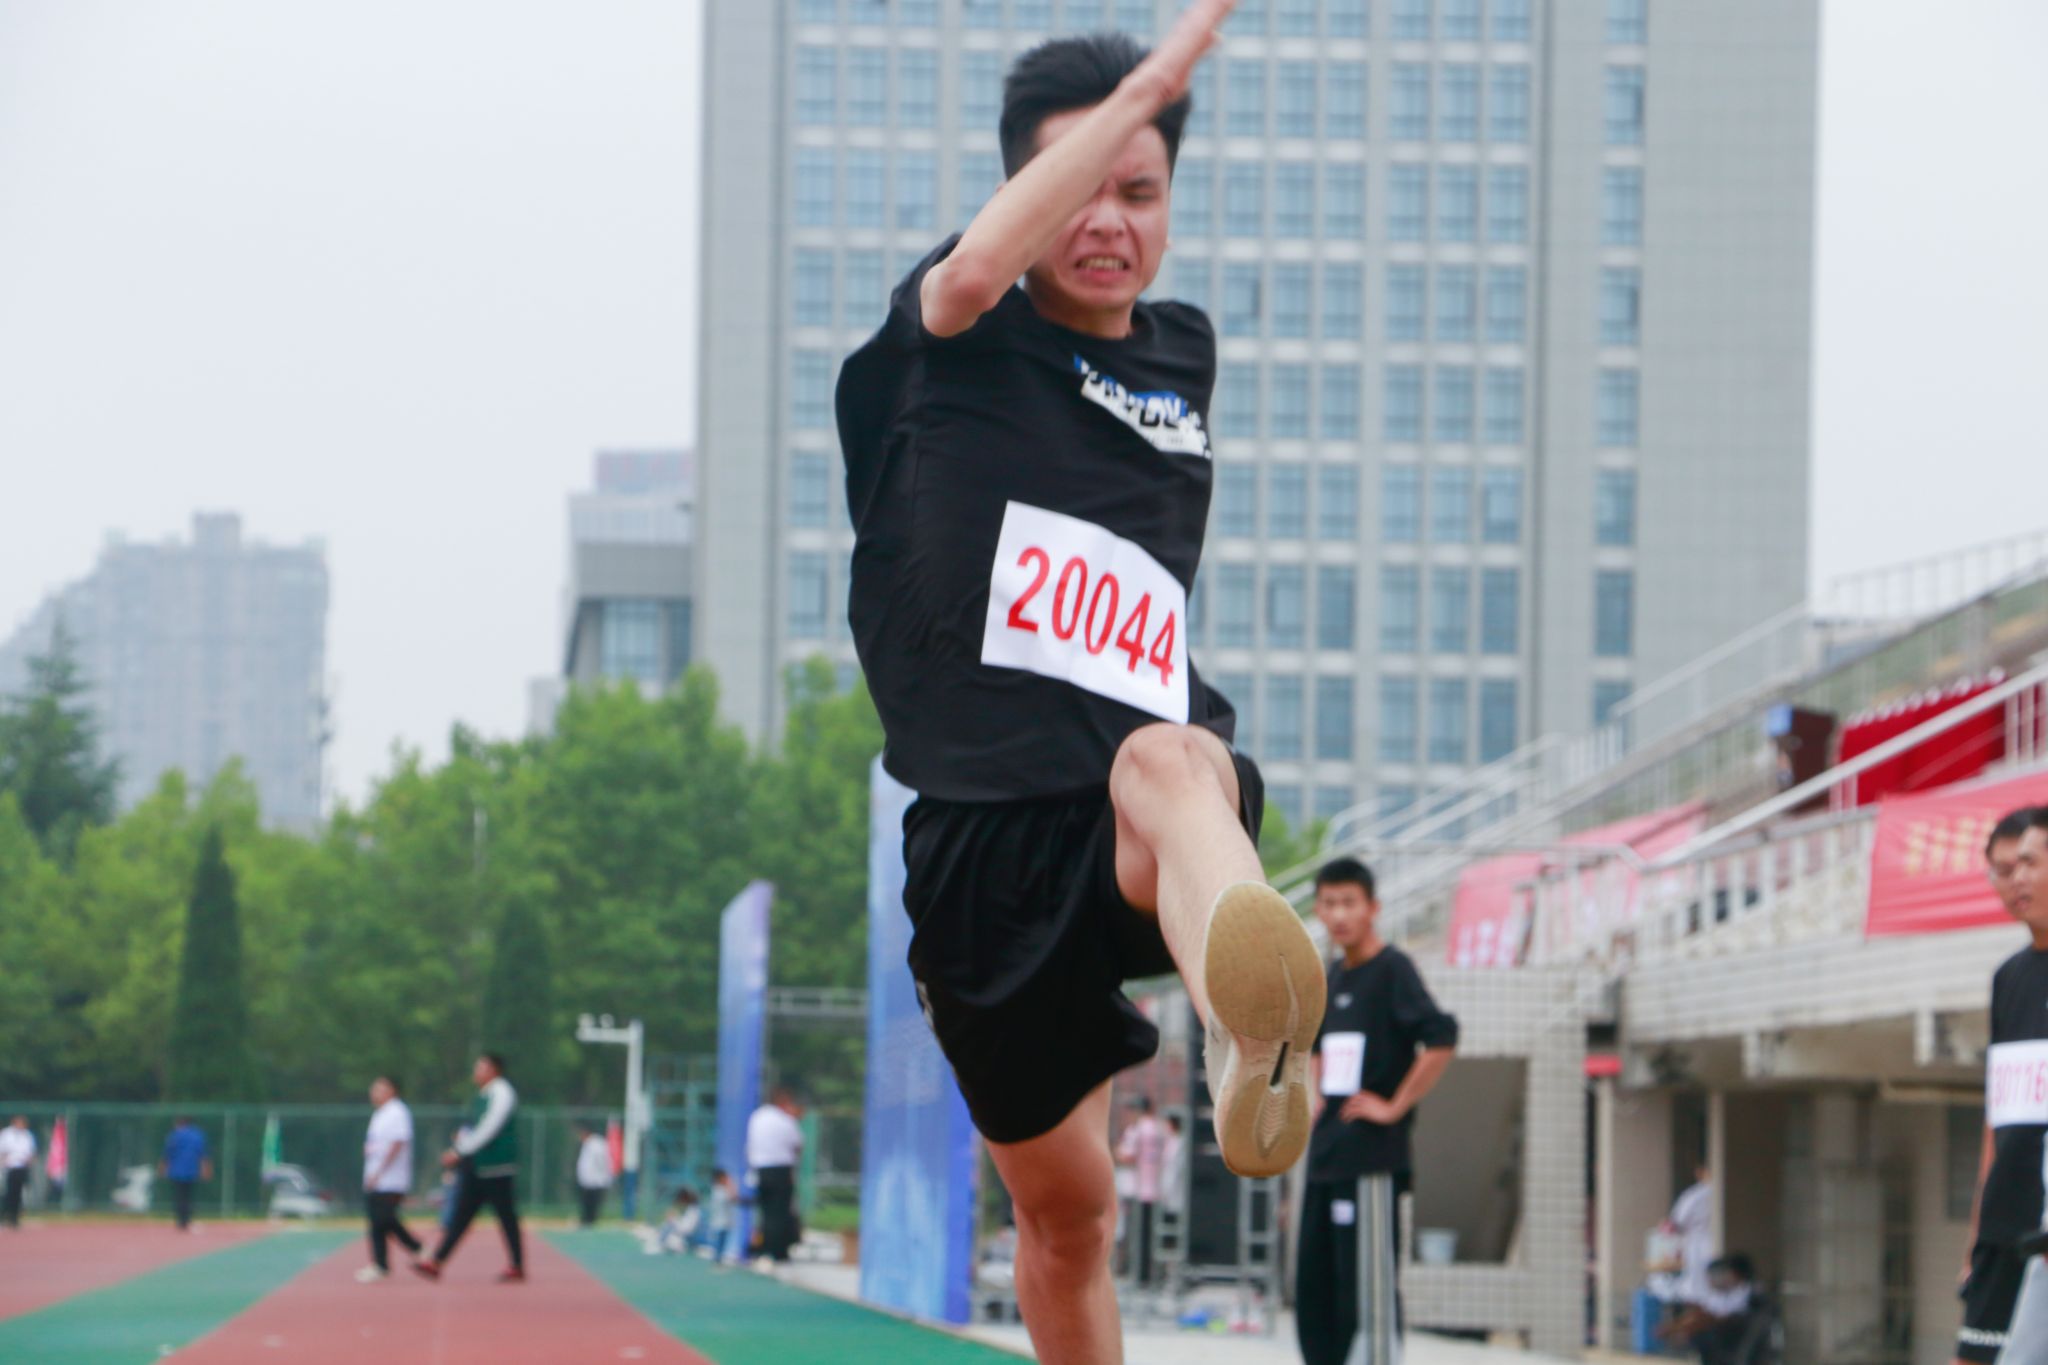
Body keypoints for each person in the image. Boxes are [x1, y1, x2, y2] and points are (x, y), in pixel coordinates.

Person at [836, 3, 1327, 1356]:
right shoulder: (950, 332)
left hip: (1131, 813)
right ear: (1027, 190)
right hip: (983, 850)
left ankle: (1247, 1028)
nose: (1110, 220)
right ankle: (1231, 1022)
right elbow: (979, 266)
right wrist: (1149, 84)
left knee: (1175, 759)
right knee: (1068, 1222)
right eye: (1083, 188)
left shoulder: (1182, 356)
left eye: (1143, 192)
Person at [1296, 857, 1459, 1365]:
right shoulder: (1331, 975)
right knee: (1316, 1288)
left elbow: (1441, 1038)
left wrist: (1393, 1107)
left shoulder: (1393, 969)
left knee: (1366, 1288)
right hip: (1326, 1154)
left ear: (1373, 908)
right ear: (1318, 910)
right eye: (1329, 904)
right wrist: (1316, 1093)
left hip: (1369, 1162)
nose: (1339, 915)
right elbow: (1316, 1045)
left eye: (1349, 903)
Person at [1955, 806, 2048, 1363]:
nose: (2015, 881)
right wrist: (1976, 1233)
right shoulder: (2007, 978)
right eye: (2003, 870)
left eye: (2028, 864)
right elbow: (1999, 1120)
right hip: (2002, 1232)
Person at [412, 1053, 524, 1283]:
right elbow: (475, 1126)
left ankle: (517, 1264)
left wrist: (459, 1150)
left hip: (496, 1166)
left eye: (480, 1067)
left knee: (506, 1216)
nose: (476, 1072)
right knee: (462, 1215)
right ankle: (437, 1261)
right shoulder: (482, 1095)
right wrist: (462, 1143)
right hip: (478, 1164)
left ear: (493, 1070)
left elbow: (490, 1126)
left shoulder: (502, 1092)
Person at [357, 1076, 422, 1283]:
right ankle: (382, 1263)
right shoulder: (380, 1113)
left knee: (384, 1218)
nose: (374, 1093)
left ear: (392, 1090)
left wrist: (380, 1170)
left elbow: (397, 1143)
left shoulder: (397, 1112)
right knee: (378, 1220)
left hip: (390, 1178)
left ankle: (414, 1248)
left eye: (379, 1089)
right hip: (375, 1176)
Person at [1661, 1254, 1758, 1365]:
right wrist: (1677, 1327)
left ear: (1734, 1273)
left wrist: (1685, 1330)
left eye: (1726, 1273)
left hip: (1735, 1338)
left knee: (1703, 1331)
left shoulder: (1746, 1292)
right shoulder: (1726, 1293)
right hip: (1723, 1336)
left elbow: (1718, 1318)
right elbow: (1704, 1311)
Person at [746, 1086, 804, 1266]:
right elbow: (797, 1145)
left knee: (766, 1212)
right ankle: (777, 1251)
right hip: (780, 1170)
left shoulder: (757, 1117)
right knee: (779, 1212)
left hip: (760, 1170)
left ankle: (762, 1248)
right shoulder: (785, 1120)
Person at [1114, 1097, 1167, 1287]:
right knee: (1151, 1235)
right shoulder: (1160, 1128)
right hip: (1157, 1187)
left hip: (1138, 1189)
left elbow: (1128, 1156)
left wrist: (1116, 1152)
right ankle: (1152, 1273)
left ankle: (1138, 1274)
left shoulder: (1136, 1130)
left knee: (1136, 1235)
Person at [160, 1116, 211, 1231]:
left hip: (176, 1171)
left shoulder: (174, 1136)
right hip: (191, 1170)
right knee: (188, 1196)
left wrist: (163, 1168)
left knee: (179, 1196)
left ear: (180, 1124)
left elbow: (167, 1154)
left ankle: (180, 1221)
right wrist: (205, 1169)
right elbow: (203, 1155)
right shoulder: (198, 1135)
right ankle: (187, 1219)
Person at [574, 1121, 612, 1228]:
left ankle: (590, 1221)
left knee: (592, 1203)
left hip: (596, 1180)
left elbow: (602, 1161)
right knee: (585, 1203)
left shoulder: (597, 1144)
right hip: (587, 1181)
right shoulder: (588, 1144)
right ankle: (585, 1221)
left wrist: (603, 1176)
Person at [0, 1117, 35, 1229]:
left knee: (18, 1193)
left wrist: (29, 1160)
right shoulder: (6, 1134)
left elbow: (30, 1151)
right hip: (9, 1167)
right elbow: (2, 1150)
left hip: (22, 1167)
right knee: (8, 1192)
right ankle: (4, 1215)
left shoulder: (27, 1135)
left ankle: (14, 1217)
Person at [700, 1167, 737, 1262]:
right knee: (720, 1244)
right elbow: (733, 1198)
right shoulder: (720, 1190)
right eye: (724, 1177)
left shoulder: (716, 1190)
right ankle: (717, 1261)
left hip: (722, 1222)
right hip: (721, 1222)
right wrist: (731, 1185)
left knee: (720, 1244)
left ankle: (717, 1260)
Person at [658, 1188, 701, 1255]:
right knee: (666, 1227)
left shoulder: (694, 1211)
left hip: (686, 1240)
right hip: (682, 1237)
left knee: (670, 1237)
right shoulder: (691, 1209)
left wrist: (673, 1220)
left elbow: (687, 1230)